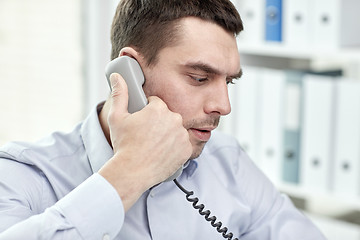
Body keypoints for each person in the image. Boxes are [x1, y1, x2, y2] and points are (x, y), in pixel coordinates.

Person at [0, 0, 326, 239]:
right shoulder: (21, 176)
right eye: (199, 78)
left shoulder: (228, 160)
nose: (223, 106)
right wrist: (130, 170)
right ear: (130, 75)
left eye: (228, 82)